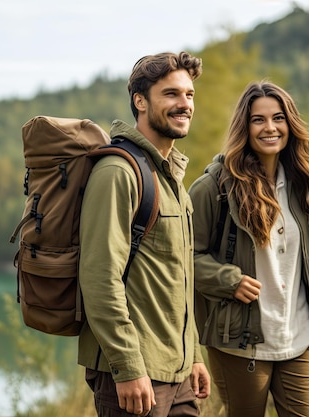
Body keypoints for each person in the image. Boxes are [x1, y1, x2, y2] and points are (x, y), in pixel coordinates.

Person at [188, 80, 309, 417]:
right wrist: (227, 279)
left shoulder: (302, 183)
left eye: (278, 118)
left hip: (300, 338)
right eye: (258, 119)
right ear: (244, 126)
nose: (270, 128)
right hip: (240, 342)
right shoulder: (212, 188)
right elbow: (184, 259)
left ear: (289, 124)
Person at [78, 51, 211, 417]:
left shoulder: (171, 178)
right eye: (171, 94)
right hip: (136, 377)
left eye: (189, 95)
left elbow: (177, 281)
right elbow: (99, 278)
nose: (184, 104)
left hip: (178, 374)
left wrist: (194, 356)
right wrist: (128, 366)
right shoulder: (118, 172)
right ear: (140, 101)